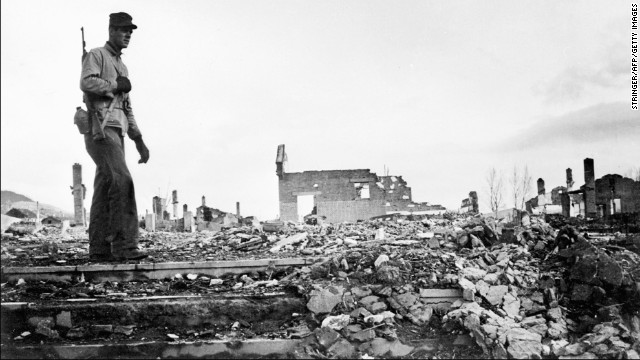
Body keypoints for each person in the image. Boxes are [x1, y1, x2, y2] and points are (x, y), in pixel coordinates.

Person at [80, 12, 149, 261]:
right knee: (122, 182)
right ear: (111, 31)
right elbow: (86, 82)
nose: (128, 34)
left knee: (105, 187)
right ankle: (125, 247)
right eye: (123, 30)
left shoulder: (122, 65)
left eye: (130, 31)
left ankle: (99, 250)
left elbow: (127, 108)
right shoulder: (96, 55)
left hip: (116, 132)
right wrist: (114, 86)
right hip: (100, 128)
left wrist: (138, 139)